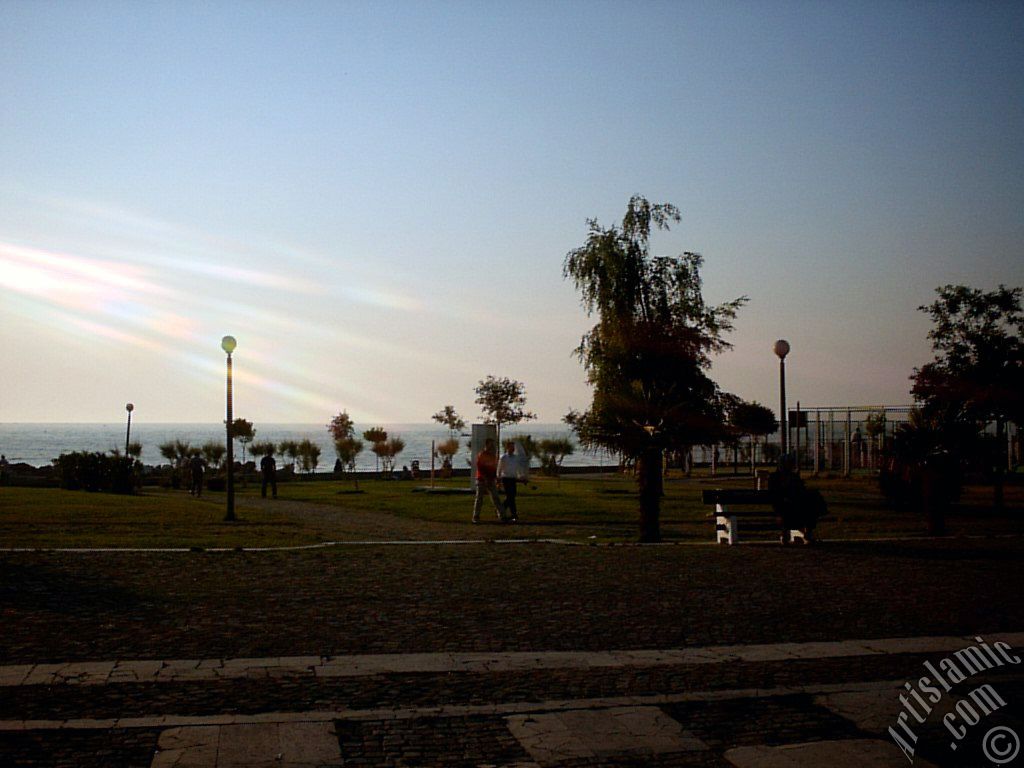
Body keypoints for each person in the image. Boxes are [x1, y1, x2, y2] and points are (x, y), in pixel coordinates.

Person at [472, 438, 505, 523]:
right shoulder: (482, 454)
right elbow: (480, 467)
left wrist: (496, 479)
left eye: (493, 445)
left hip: (490, 480)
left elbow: (494, 469)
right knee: (479, 498)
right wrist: (485, 478)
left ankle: (501, 515)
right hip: (481, 480)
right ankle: (476, 516)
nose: (492, 446)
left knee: (495, 497)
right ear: (486, 445)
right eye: (490, 444)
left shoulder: (493, 456)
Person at [497, 441, 524, 522]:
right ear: (507, 448)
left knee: (512, 496)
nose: (513, 449)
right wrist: (498, 478)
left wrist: (521, 476)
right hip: (506, 478)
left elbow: (518, 468)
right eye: (511, 447)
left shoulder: (516, 458)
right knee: (510, 496)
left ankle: (501, 509)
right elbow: (499, 468)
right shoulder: (503, 457)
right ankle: (513, 514)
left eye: (513, 447)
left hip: (513, 478)